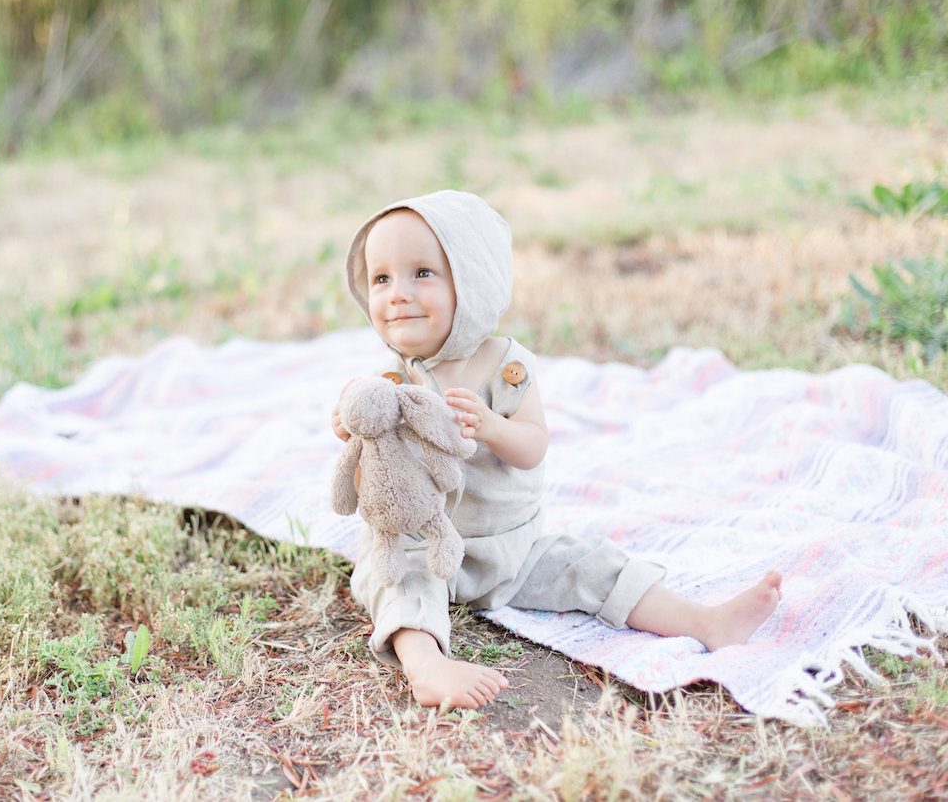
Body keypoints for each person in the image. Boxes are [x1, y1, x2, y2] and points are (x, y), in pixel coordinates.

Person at [331, 190, 782, 710]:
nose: (397, 294)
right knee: (401, 586)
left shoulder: (505, 365)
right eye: (381, 279)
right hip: (420, 545)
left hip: (510, 546)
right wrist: (351, 432)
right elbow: (375, 483)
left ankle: (706, 621)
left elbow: (532, 448)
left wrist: (494, 428)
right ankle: (427, 666)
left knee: (589, 565)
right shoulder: (389, 381)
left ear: (474, 281)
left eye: (422, 274)